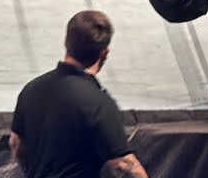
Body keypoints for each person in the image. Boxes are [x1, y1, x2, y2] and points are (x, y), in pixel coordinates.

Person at [11, 10, 149, 178]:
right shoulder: (99, 103)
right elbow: (124, 164)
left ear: (66, 42)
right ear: (104, 53)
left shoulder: (30, 90)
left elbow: (16, 143)